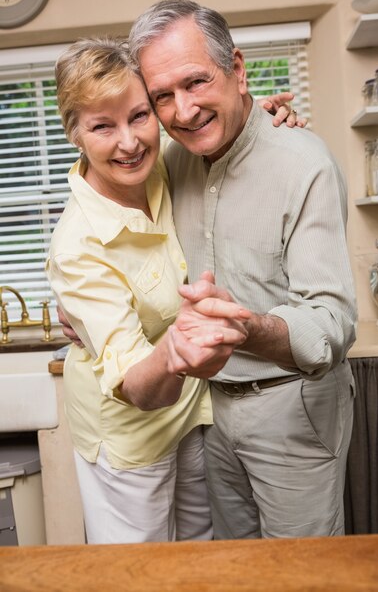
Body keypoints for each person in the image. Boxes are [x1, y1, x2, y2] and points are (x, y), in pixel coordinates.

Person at [48, 36, 300, 544]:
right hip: (131, 438)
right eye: (102, 126)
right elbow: (138, 389)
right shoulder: (78, 246)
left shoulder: (163, 160)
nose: (129, 142)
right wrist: (176, 349)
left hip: (193, 416)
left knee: (197, 561)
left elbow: (216, 126)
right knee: (137, 577)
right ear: (74, 134)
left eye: (139, 116)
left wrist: (261, 121)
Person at [126, 0, 358, 540]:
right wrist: (77, 300)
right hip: (209, 414)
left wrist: (248, 327)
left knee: (304, 579)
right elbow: (109, 214)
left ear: (236, 69)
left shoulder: (304, 162)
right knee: (235, 571)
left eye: (196, 82)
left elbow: (330, 322)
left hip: (293, 407)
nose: (182, 111)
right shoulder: (168, 163)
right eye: (163, 96)